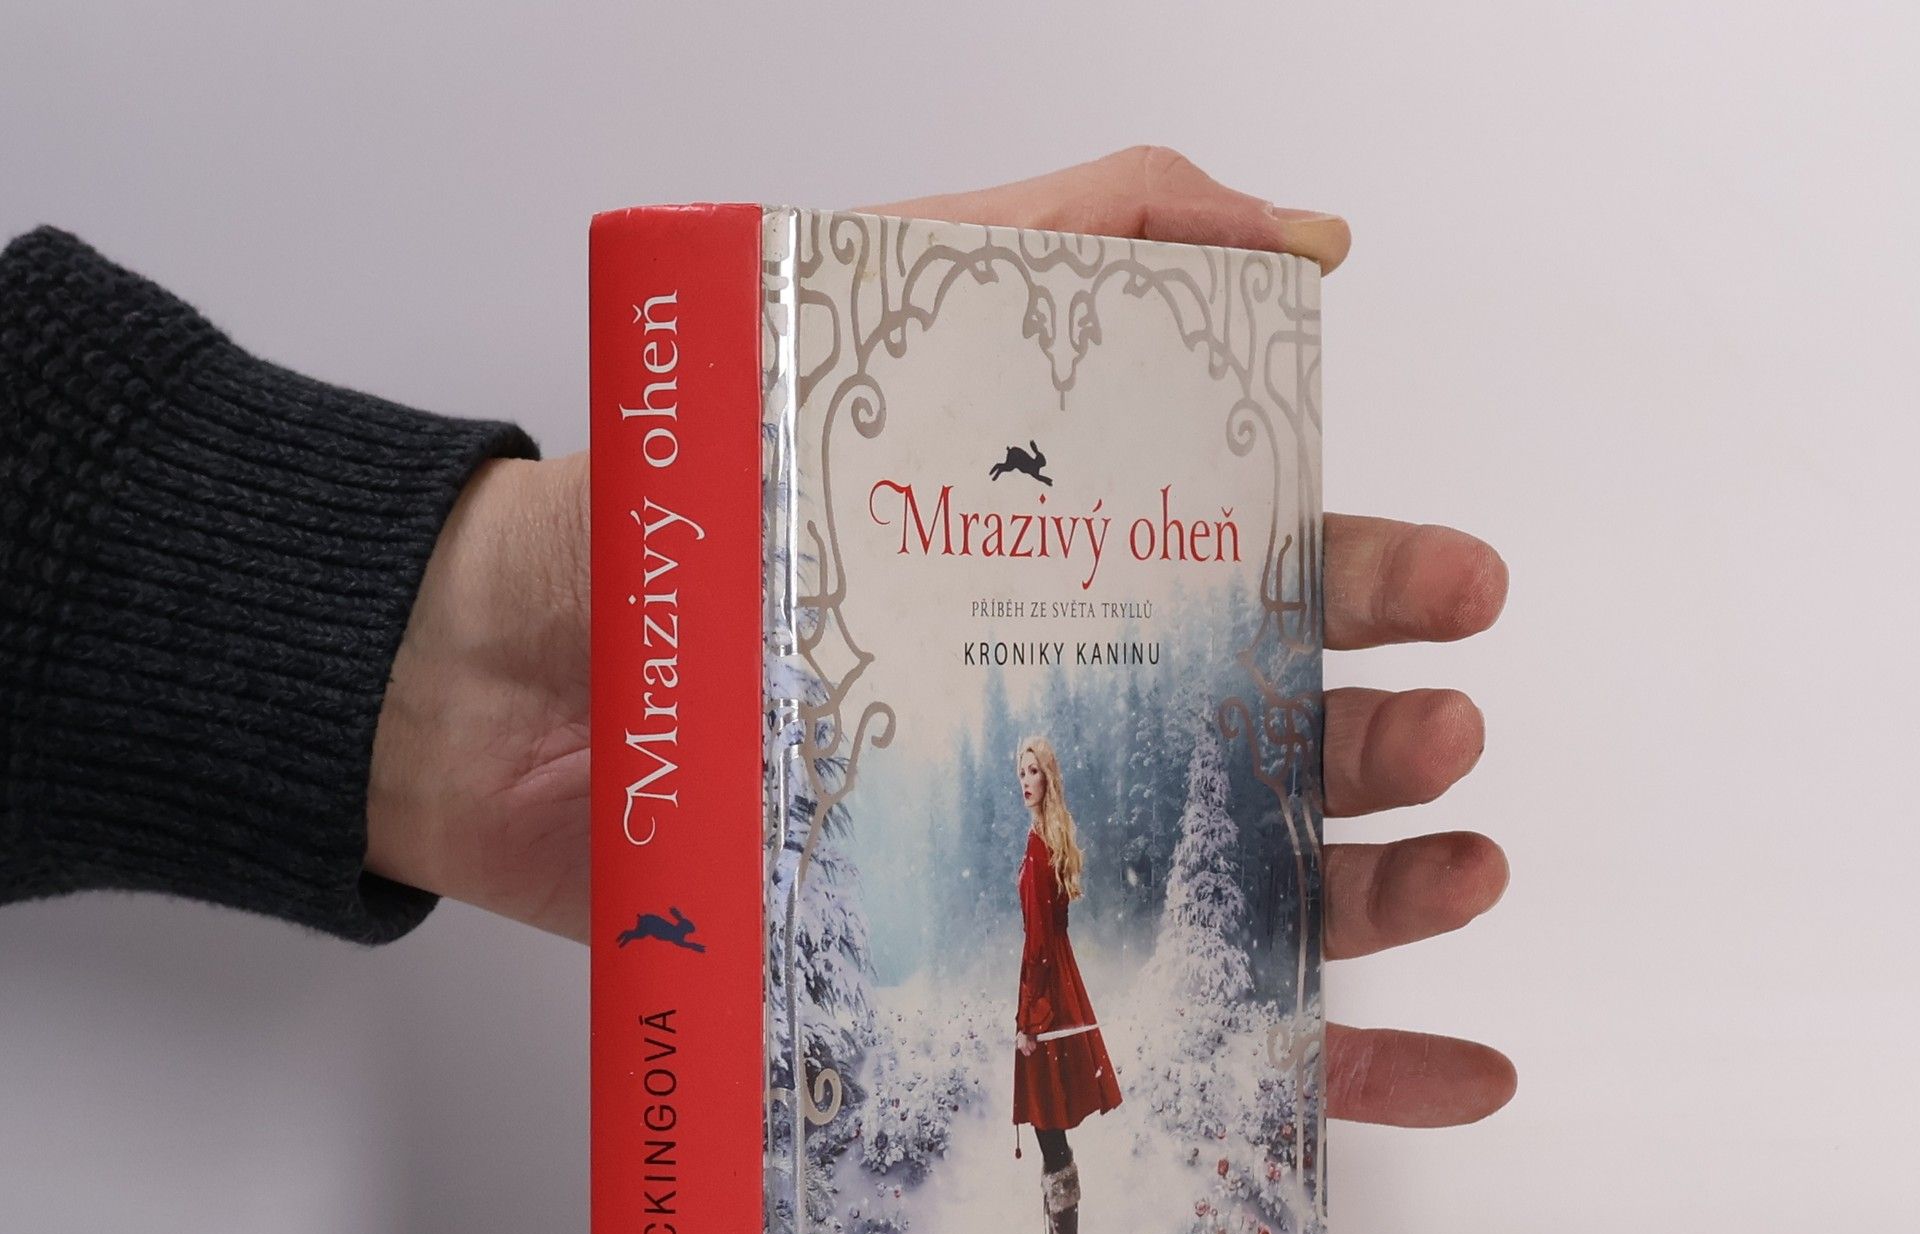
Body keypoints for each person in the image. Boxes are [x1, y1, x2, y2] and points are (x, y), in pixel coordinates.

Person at [0, 147, 1515, 1130]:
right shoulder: (1022, 825)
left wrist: (447, 628)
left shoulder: (1051, 833)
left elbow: (1056, 881)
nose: (1030, 773)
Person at [1013, 735, 1121, 1234]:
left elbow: (1038, 943)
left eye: (1034, 771)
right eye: (1021, 772)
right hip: (1056, 981)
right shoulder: (1048, 838)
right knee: (1045, 1124)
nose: (1026, 781)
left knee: (1048, 1127)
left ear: (1049, 778)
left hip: (1047, 989)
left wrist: (1032, 1018)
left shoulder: (1040, 847)